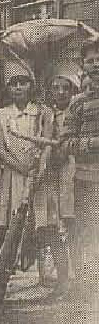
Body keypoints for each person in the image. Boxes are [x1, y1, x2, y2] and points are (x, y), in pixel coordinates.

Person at [0, 68, 54, 281]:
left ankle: (43, 265)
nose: (18, 87)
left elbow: (47, 143)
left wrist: (39, 169)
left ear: (31, 85)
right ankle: (11, 262)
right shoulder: (2, 114)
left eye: (23, 82)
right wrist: (19, 166)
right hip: (13, 173)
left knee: (40, 217)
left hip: (38, 173)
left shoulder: (42, 112)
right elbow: (0, 149)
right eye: (13, 83)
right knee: (14, 216)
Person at [60, 37, 99, 294]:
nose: (95, 65)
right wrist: (90, 144)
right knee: (89, 231)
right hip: (87, 178)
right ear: (83, 66)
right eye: (90, 61)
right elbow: (64, 143)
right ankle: (91, 284)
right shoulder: (77, 102)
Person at [44, 71, 80, 295]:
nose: (60, 92)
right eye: (56, 88)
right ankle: (62, 277)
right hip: (51, 174)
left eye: (65, 88)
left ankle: (80, 276)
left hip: (73, 170)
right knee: (53, 226)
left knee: (74, 224)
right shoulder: (47, 115)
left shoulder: (76, 112)